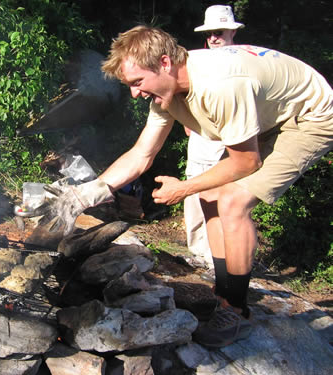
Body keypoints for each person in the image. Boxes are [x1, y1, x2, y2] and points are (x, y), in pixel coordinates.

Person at [35, 25, 332, 348]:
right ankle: (222, 294)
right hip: (269, 113)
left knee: (233, 201)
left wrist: (183, 188)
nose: (135, 94)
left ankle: (236, 310)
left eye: (137, 83)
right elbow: (141, 154)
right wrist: (82, 195)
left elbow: (247, 162)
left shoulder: (220, 87)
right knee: (209, 195)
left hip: (310, 117)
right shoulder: (168, 90)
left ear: (165, 63)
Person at [184, 5, 244, 266]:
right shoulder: (197, 62)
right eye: (209, 34)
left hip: (230, 143)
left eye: (218, 32)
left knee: (222, 200)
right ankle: (198, 253)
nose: (213, 38)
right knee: (193, 197)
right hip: (200, 140)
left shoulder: (243, 61)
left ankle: (218, 258)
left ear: (232, 31)